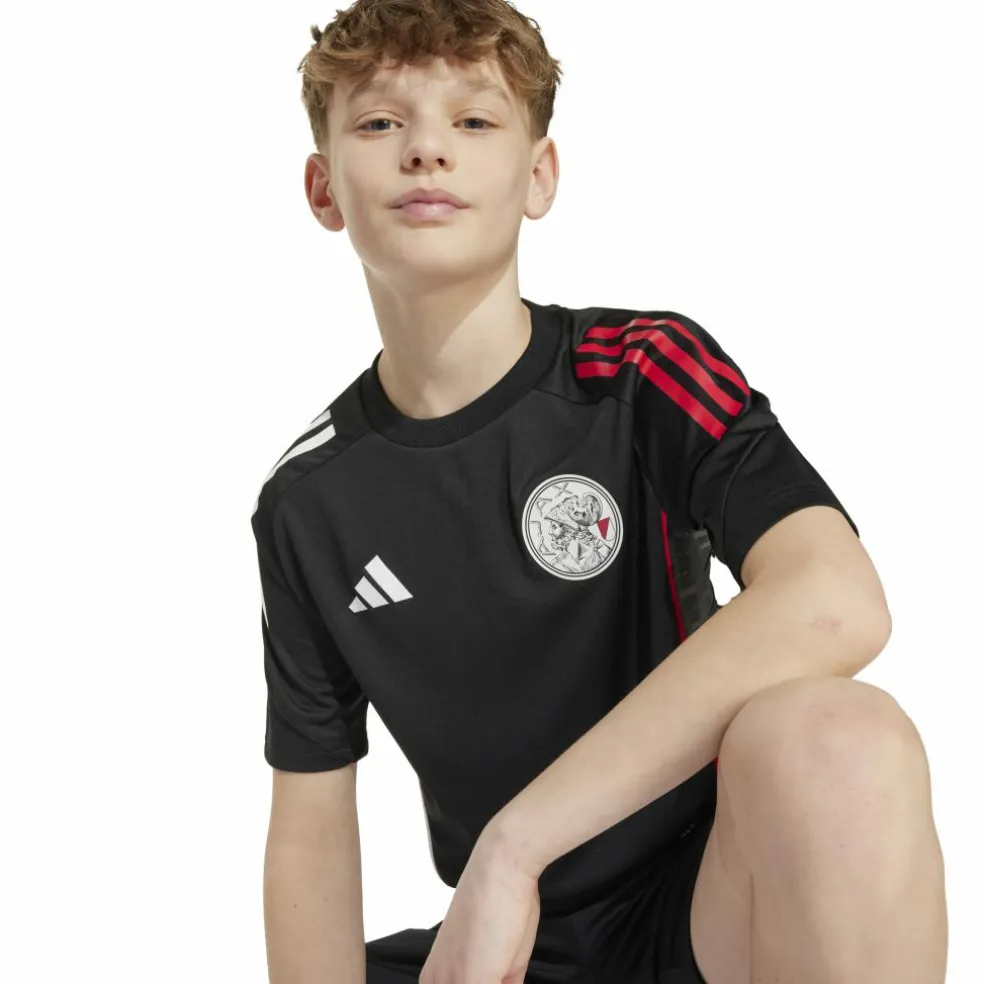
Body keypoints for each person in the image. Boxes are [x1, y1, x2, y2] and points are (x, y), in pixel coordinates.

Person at [252, 3, 945, 983]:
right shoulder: (309, 500)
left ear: (539, 175)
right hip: (501, 951)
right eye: (379, 122)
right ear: (324, 188)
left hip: (709, 911)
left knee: (838, 736)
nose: (426, 150)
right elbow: (310, 827)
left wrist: (514, 848)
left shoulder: (640, 373)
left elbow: (836, 600)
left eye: (474, 120)